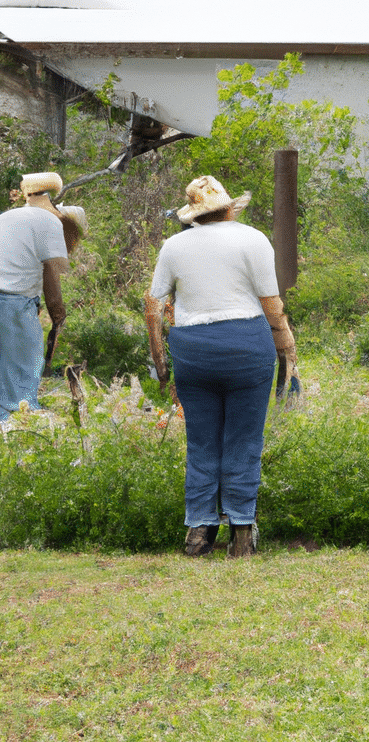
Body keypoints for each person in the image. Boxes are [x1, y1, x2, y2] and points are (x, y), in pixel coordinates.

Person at [145, 175, 298, 558]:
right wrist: (287, 346)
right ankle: (242, 533)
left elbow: (152, 305)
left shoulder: (174, 245)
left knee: (201, 441)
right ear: (229, 207)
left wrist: (160, 360)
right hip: (246, 346)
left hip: (193, 351)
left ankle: (198, 532)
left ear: (194, 214)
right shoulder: (252, 239)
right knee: (244, 440)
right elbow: (271, 304)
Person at [0, 172, 87, 420]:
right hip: (12, 300)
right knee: (26, 365)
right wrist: (58, 314)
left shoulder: (8, 216)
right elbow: (51, 275)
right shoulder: (50, 223)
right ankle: (20, 426)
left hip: (10, 296)